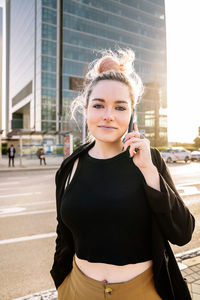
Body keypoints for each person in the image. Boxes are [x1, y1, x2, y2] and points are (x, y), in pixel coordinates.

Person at [50, 49, 195, 300]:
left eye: (120, 107)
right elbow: (63, 234)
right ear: (86, 110)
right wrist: (63, 284)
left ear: (131, 113)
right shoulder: (70, 166)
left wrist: (149, 172)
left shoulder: (149, 160)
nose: (108, 115)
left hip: (143, 291)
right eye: (98, 105)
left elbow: (182, 233)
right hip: (78, 290)